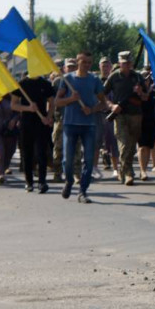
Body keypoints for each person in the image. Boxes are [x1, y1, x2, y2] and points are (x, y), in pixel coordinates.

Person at [55, 52, 108, 203]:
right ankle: (69, 180)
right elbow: (57, 102)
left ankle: (83, 191)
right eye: (84, 62)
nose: (86, 65)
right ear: (78, 61)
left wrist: (91, 110)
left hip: (89, 125)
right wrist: (71, 99)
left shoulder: (94, 80)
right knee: (68, 160)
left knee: (89, 160)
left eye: (89, 62)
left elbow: (103, 103)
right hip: (70, 124)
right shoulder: (68, 79)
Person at [104, 50, 145, 186]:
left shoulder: (138, 77)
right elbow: (102, 95)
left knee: (132, 146)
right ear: (119, 63)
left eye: (128, 63)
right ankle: (128, 173)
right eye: (124, 63)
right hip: (120, 115)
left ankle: (124, 168)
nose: (126, 65)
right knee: (124, 144)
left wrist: (140, 92)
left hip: (135, 115)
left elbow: (146, 96)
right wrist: (111, 106)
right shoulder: (114, 77)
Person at [12, 72, 55, 193]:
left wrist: (49, 117)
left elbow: (52, 103)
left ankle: (42, 181)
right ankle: (29, 181)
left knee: (42, 152)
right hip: (26, 123)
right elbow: (13, 105)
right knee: (27, 153)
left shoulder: (46, 84)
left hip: (41, 122)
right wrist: (28, 108)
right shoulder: (21, 84)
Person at [138, 67, 155, 180]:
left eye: (147, 79)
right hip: (140, 120)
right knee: (142, 147)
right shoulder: (137, 92)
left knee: (149, 146)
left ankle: (143, 169)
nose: (146, 81)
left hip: (151, 121)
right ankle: (142, 170)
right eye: (143, 79)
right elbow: (142, 100)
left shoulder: (154, 93)